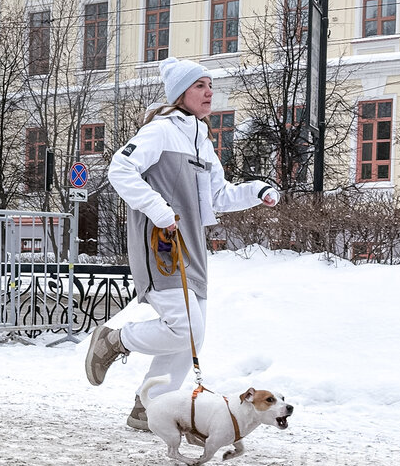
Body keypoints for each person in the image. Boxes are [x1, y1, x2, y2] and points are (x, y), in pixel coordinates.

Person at [85, 57, 280, 431]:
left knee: (192, 333)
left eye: (210, 85)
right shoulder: (159, 131)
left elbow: (219, 197)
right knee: (185, 327)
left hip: (192, 244)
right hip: (160, 241)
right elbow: (119, 169)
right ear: (180, 94)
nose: (209, 92)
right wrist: (159, 210)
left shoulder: (201, 140)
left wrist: (257, 190)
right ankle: (114, 341)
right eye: (199, 86)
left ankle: (149, 408)